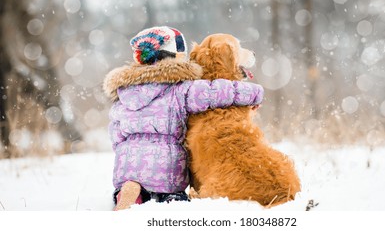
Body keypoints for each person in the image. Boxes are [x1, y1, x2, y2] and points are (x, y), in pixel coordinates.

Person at [102, 26, 264, 210]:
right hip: (166, 169)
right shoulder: (180, 88)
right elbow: (215, 92)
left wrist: (128, 152)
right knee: (175, 202)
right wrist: (254, 93)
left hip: (128, 166)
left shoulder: (124, 94)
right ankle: (172, 200)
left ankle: (131, 192)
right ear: (177, 56)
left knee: (132, 185)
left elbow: (115, 134)